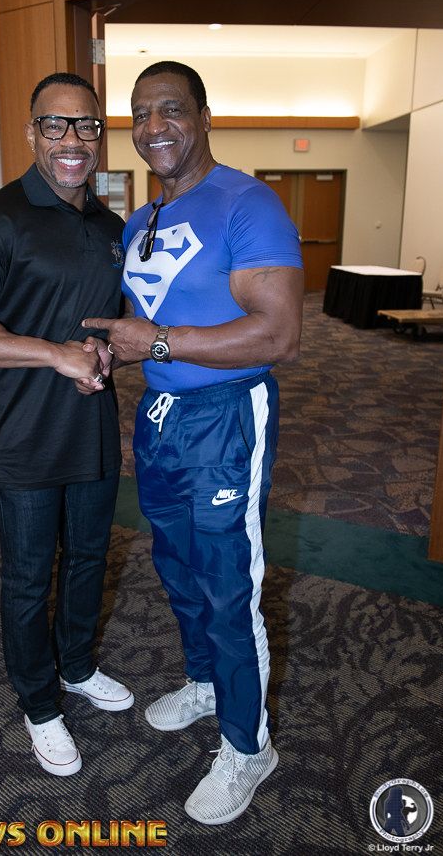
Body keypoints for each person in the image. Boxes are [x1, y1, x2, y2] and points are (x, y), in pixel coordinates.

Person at [83, 61, 303, 824]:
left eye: (171, 109)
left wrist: (157, 342)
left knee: (227, 584)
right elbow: (149, 325)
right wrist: (111, 353)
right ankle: (207, 682)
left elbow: (278, 333)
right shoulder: (142, 217)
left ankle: (248, 745)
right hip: (161, 417)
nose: (154, 128)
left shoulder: (248, 202)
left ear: (205, 117)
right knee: (176, 566)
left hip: (228, 417)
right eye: (140, 114)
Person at [0, 72, 133, 778]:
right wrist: (52, 354)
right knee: (27, 578)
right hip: (23, 435)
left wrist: (104, 353)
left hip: (93, 428)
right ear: (31, 134)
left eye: (86, 125)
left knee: (88, 559)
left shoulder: (111, 228)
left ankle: (76, 666)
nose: (72, 139)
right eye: (55, 124)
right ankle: (40, 703)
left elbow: (109, 326)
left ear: (100, 136)